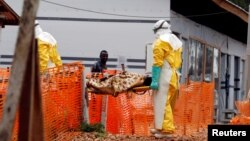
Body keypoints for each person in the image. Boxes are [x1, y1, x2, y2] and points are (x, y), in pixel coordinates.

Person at [149, 19, 183, 138]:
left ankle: (166, 131)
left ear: (159, 30)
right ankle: (161, 127)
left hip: (165, 76)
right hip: (174, 75)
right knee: (168, 103)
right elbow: (179, 61)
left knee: (163, 103)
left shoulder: (160, 42)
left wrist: (154, 79)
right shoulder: (177, 41)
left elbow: (157, 63)